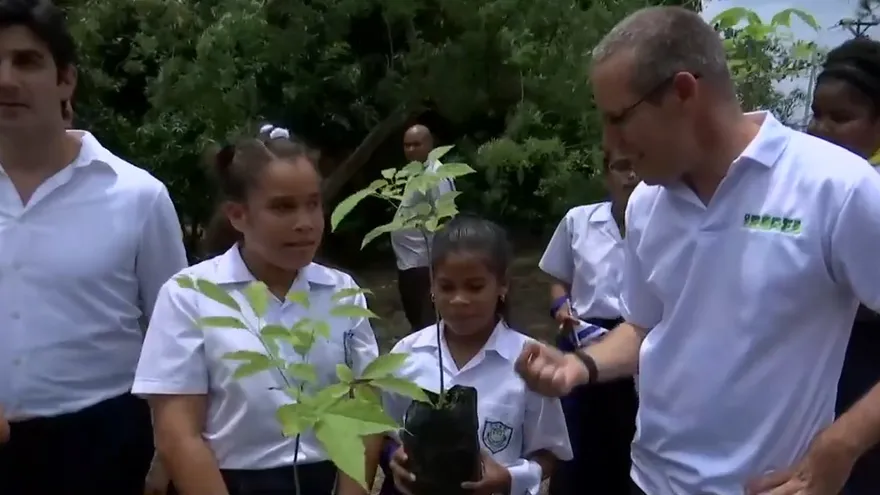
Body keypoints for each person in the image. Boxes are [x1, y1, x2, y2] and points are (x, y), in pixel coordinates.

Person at [514, 6, 880, 495]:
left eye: (619, 119)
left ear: (684, 93)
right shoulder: (646, 202)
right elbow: (646, 326)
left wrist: (842, 445)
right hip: (649, 480)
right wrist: (580, 366)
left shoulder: (837, 188)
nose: (611, 145)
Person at [0, 1, 188, 494]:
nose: (6, 79)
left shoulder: (138, 197)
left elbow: (179, 340)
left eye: (26, 61)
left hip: (104, 444)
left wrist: (171, 451)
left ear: (65, 80)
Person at [132, 125, 380, 495]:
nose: (305, 223)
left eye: (313, 203)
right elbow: (178, 435)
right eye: (283, 207)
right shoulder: (191, 295)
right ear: (238, 215)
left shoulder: (341, 292)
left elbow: (365, 411)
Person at [381, 215, 573, 495]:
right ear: (432, 286)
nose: (459, 300)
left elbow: (549, 452)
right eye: (447, 287)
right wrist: (392, 457)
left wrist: (509, 478)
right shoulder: (406, 356)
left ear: (502, 286)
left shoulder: (529, 362)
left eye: (475, 287)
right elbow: (385, 432)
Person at [538, 148, 639, 495]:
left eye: (637, 166)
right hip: (583, 339)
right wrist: (560, 306)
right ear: (606, 174)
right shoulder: (578, 221)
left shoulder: (670, 223)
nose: (631, 175)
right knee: (575, 439)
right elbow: (557, 276)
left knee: (628, 438)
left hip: (639, 344)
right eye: (621, 166)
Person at [808, 37, 880, 495]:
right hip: (814, 364)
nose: (822, 128)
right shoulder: (811, 185)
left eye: (842, 117)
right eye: (817, 113)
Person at [391, 124, 455, 332]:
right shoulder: (416, 172)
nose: (410, 150)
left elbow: (445, 219)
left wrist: (441, 268)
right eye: (406, 145)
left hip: (424, 265)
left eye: (416, 144)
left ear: (429, 144)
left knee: (428, 326)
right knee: (417, 322)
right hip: (409, 264)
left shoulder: (436, 175)